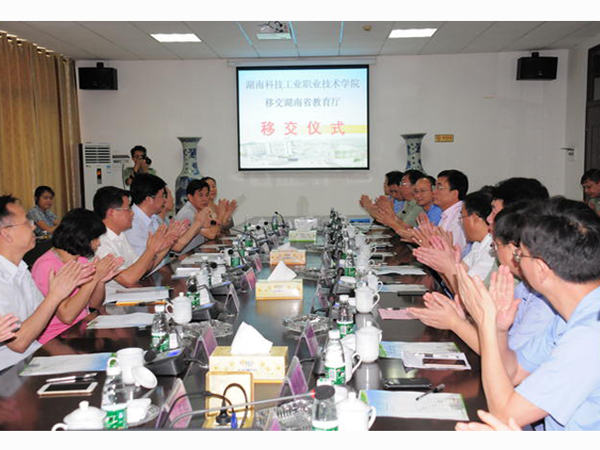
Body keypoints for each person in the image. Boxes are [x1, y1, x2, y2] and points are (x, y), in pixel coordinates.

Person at [455, 197, 600, 430]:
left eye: (520, 255)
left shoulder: (590, 334)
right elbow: (512, 372)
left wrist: (485, 323)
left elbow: (505, 414)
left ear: (541, 268)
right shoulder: (568, 317)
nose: (517, 262)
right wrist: (499, 329)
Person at [0, 195, 94, 371]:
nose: (33, 227)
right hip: (8, 371)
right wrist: (56, 295)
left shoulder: (21, 270)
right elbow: (18, 342)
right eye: (27, 223)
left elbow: (41, 322)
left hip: (33, 356)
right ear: (6, 233)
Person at [31, 209, 123, 344]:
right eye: (96, 238)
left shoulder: (80, 260)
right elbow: (67, 316)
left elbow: (94, 304)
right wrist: (94, 279)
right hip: (57, 338)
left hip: (81, 328)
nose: (99, 243)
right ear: (83, 237)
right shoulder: (47, 266)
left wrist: (100, 281)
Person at [94, 186, 178, 292]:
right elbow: (128, 280)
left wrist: (165, 246)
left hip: (128, 294)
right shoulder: (100, 242)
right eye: (128, 209)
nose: (132, 213)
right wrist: (151, 250)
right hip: (113, 299)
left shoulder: (120, 235)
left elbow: (144, 269)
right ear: (112, 212)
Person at [412, 189, 495, 292]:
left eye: (462, 218)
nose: (461, 223)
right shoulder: (478, 244)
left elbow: (463, 292)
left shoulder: (491, 250)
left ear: (474, 218)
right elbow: (456, 277)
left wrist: (442, 258)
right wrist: (441, 256)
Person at [124, 173, 198, 263]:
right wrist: (169, 239)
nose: (165, 200)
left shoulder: (154, 218)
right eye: (162, 195)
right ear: (149, 199)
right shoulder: (132, 223)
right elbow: (146, 263)